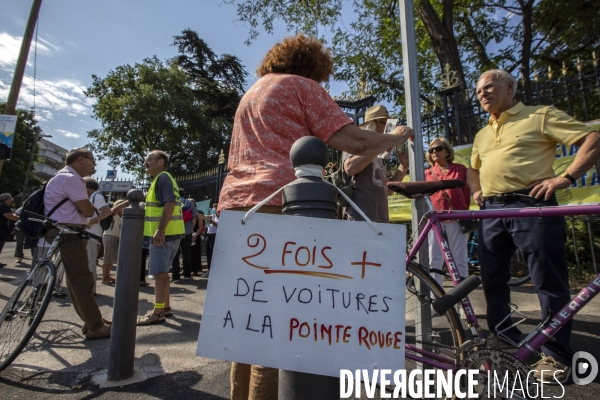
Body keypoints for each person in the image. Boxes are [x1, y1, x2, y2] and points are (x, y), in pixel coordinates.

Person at [218, 34, 414, 400]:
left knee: (248, 319)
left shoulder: (253, 92)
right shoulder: (301, 86)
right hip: (286, 202)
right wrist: (397, 138)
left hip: (238, 206)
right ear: (314, 68)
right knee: (276, 326)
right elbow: (357, 143)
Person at [467, 69, 600, 383]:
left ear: (510, 86)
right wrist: (475, 190)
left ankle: (555, 358)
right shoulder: (482, 133)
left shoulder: (539, 115)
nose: (482, 94)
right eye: (478, 92)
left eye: (488, 87)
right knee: (491, 280)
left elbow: (591, 137)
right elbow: (473, 169)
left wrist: (565, 178)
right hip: (492, 211)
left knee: (548, 283)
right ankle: (504, 338)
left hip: (533, 204)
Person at [43, 148, 111, 339]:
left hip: (63, 230)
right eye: (93, 160)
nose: (94, 164)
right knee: (82, 279)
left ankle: (91, 320)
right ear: (81, 159)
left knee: (76, 280)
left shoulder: (61, 176)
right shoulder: (72, 179)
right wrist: (86, 208)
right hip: (68, 233)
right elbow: (89, 211)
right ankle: (96, 326)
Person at [137, 150, 185, 325]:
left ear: (160, 162)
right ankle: (165, 306)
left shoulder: (162, 178)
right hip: (172, 232)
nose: (145, 163)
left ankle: (157, 312)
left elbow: (170, 203)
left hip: (163, 234)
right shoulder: (165, 179)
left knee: (159, 272)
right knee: (163, 272)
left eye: (148, 159)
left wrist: (160, 230)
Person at [342, 105, 409, 222]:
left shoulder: (378, 154)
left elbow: (387, 190)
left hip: (380, 218)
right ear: (374, 124)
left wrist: (403, 167)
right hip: (360, 217)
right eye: (386, 123)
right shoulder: (356, 145)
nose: (389, 129)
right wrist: (384, 143)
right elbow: (350, 168)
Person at [424, 137, 470, 290]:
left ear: (447, 150)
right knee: (434, 259)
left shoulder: (460, 170)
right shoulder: (427, 173)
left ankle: (463, 301)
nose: (434, 152)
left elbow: (467, 193)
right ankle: (436, 296)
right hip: (435, 219)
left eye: (438, 148)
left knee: (459, 260)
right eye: (431, 150)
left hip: (457, 218)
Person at [83, 177, 113, 294]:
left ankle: (90, 290)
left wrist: (92, 221)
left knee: (90, 262)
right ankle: (88, 289)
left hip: (92, 233)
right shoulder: (92, 197)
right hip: (90, 233)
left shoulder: (97, 197)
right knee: (87, 262)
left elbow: (107, 211)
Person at [171, 188, 197, 282]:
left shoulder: (172, 202)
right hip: (187, 231)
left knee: (175, 254)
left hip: (175, 231)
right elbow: (195, 216)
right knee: (187, 254)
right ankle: (187, 274)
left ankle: (175, 276)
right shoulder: (189, 203)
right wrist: (191, 227)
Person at [101, 199, 128, 285]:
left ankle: (107, 276)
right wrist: (125, 201)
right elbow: (115, 209)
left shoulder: (121, 216)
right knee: (107, 258)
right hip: (110, 236)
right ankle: (104, 278)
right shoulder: (114, 213)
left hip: (116, 237)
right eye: (122, 206)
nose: (124, 207)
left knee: (111, 259)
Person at [0, 193, 19, 267]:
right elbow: (9, 216)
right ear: (6, 199)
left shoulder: (4, 206)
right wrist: (20, 218)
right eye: (10, 199)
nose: (11, 201)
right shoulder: (2, 206)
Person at [200, 204, 218, 279]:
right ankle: (209, 270)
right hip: (209, 236)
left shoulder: (221, 217)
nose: (214, 209)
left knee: (213, 254)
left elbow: (218, 225)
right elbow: (203, 217)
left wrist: (211, 221)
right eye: (213, 208)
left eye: (215, 208)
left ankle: (214, 271)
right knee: (208, 254)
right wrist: (196, 214)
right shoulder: (213, 216)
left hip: (214, 236)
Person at [190, 204, 206, 275]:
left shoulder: (198, 214)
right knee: (188, 253)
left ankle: (195, 269)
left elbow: (201, 226)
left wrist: (196, 235)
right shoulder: (187, 212)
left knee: (196, 253)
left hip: (196, 235)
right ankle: (188, 269)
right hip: (188, 234)